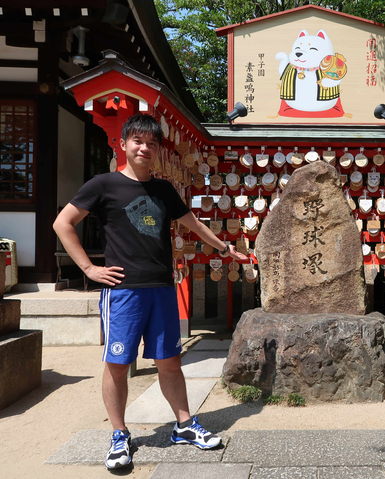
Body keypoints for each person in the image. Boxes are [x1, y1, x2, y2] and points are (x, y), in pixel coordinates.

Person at [53, 113, 248, 469]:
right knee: (117, 364)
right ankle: (119, 435)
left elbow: (193, 224)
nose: (145, 148)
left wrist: (224, 248)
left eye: (152, 143)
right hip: (123, 291)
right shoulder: (103, 184)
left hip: (160, 288)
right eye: (138, 141)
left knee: (170, 362)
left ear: (158, 150)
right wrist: (89, 268)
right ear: (124, 144)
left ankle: (185, 424)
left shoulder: (163, 189)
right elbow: (62, 223)